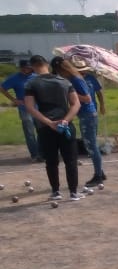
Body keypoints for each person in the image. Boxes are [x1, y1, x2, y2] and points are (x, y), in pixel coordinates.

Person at [23, 55, 81, 201]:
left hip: (45, 127)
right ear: (46, 64)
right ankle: (73, 192)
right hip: (65, 126)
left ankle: (56, 192)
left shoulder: (31, 84)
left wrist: (49, 122)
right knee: (70, 160)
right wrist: (66, 121)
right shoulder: (64, 81)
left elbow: (29, 107)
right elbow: (76, 104)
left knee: (51, 161)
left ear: (33, 67)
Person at [53, 57, 105, 187]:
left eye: (59, 72)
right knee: (90, 145)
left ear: (63, 69)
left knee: (91, 146)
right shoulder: (74, 78)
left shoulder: (76, 79)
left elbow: (87, 98)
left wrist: (71, 94)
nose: (60, 75)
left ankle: (98, 175)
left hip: (88, 114)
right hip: (86, 115)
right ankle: (100, 172)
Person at [1, 59, 41, 162]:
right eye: (24, 68)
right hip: (25, 108)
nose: (26, 70)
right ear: (21, 68)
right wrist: (14, 99)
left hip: (38, 108)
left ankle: (43, 153)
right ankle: (35, 154)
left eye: (28, 68)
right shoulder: (15, 78)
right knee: (29, 132)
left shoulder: (36, 76)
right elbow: (2, 87)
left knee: (42, 130)